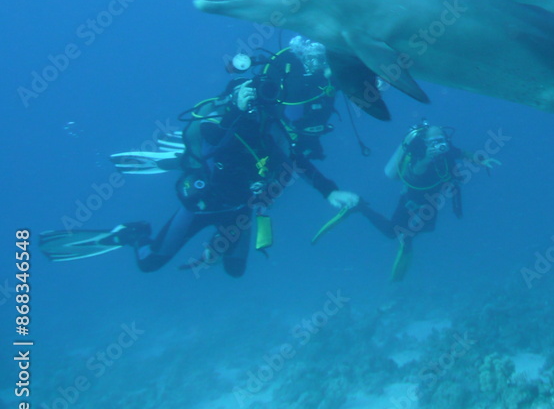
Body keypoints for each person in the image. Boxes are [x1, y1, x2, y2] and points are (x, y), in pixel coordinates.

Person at [40, 49, 359, 277]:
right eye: (252, 93)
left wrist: (329, 191)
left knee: (235, 271)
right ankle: (135, 233)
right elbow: (203, 136)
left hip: (240, 211)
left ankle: (214, 247)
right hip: (199, 205)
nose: (260, 100)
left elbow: (295, 160)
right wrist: (234, 107)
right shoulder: (220, 124)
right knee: (150, 263)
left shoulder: (271, 129)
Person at [357, 122, 498, 281]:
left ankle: (407, 238)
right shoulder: (418, 152)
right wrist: (426, 158)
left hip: (432, 200)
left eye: (441, 139)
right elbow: (416, 173)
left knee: (428, 228)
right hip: (411, 199)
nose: (438, 144)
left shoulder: (447, 149)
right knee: (391, 232)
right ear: (426, 142)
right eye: (434, 141)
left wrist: (482, 160)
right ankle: (359, 206)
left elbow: (464, 154)